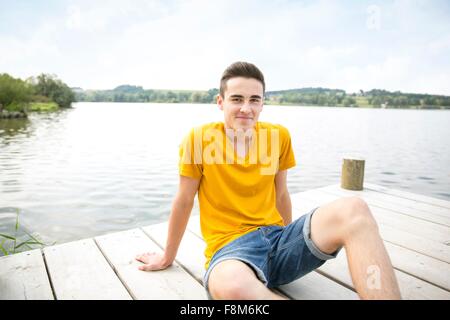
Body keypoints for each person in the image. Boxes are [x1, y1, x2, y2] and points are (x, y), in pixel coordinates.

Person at [135, 61, 401, 300]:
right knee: (231, 286)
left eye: (254, 100)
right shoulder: (198, 139)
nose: (246, 108)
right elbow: (183, 201)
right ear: (220, 102)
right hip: (232, 252)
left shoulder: (278, 136)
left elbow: (281, 194)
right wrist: (167, 256)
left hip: (277, 240)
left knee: (355, 209)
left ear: (263, 103)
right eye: (237, 99)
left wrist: (289, 240)